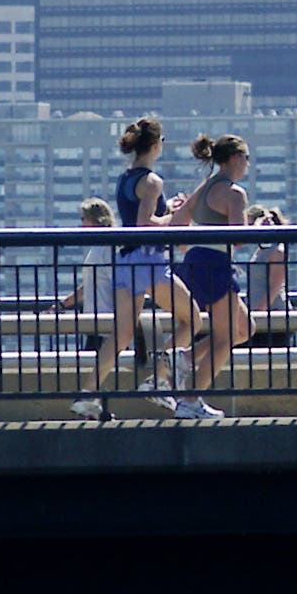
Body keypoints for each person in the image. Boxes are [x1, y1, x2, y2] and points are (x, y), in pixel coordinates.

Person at [70, 118, 201, 419]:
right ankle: (157, 379)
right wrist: (179, 214)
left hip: (126, 262)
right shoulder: (153, 181)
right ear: (156, 145)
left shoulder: (125, 179)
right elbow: (146, 226)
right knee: (191, 320)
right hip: (149, 262)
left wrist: (166, 212)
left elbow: (138, 219)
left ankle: (87, 394)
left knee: (121, 335)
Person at [166, 133, 254, 419]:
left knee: (245, 328)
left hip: (195, 260)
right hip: (216, 263)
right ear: (235, 158)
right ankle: (190, 401)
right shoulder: (234, 193)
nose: (247, 165)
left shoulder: (204, 188)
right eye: (247, 158)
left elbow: (178, 222)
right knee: (226, 337)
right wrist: (256, 226)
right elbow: (238, 238)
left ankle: (186, 357)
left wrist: (189, 246)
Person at [57, 197, 117, 357]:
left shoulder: (107, 248)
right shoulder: (98, 248)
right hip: (94, 323)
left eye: (84, 219)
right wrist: (64, 304)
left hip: (105, 323)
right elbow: (90, 283)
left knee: (94, 372)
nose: (82, 224)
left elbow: (118, 284)